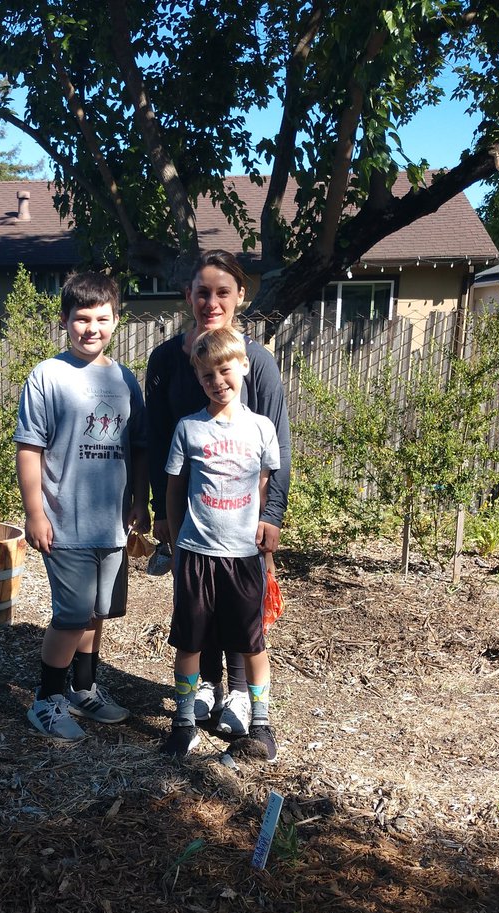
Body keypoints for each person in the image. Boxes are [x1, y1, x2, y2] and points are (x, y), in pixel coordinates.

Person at [146, 250, 291, 739]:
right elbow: (157, 438)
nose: (212, 302)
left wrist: (272, 514)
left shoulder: (258, 363)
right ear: (188, 295)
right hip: (193, 520)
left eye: (223, 292)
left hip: (241, 520)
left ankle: (238, 692)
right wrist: (159, 512)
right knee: (197, 610)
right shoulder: (166, 360)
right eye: (202, 292)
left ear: (240, 296)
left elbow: (277, 450)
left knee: (241, 613)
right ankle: (205, 686)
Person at [14, 272, 150, 741]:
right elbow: (29, 449)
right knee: (71, 615)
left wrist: (140, 500)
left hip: (111, 525)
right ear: (65, 320)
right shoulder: (47, 376)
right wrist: (35, 512)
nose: (92, 328)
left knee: (97, 613)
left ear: (116, 320)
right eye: (82, 318)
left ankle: (83, 689)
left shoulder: (124, 379)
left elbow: (139, 447)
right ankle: (46, 701)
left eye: (102, 318)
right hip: (64, 522)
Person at [163, 326, 280, 761]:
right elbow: (175, 491)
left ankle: (261, 725)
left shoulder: (262, 428)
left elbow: (265, 490)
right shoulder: (188, 429)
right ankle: (183, 723)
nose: (218, 381)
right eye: (208, 375)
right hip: (197, 555)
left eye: (225, 370)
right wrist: (178, 544)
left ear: (244, 366)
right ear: (198, 378)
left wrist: (267, 553)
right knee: (189, 642)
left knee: (252, 642)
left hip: (244, 557)